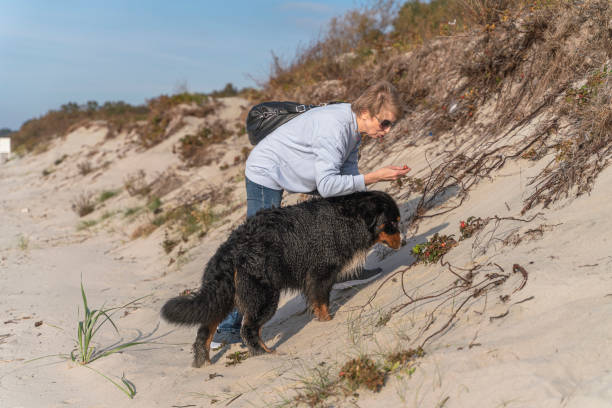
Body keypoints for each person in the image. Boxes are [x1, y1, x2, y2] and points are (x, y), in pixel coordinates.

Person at [212, 80, 410, 346]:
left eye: (391, 125)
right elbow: (328, 185)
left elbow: (348, 177)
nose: (387, 130)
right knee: (255, 251)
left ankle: (343, 271)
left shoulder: (352, 129)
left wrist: (365, 184)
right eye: (384, 123)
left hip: (300, 175)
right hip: (265, 174)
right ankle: (227, 327)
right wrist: (374, 177)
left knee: (350, 201)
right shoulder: (335, 128)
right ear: (365, 113)